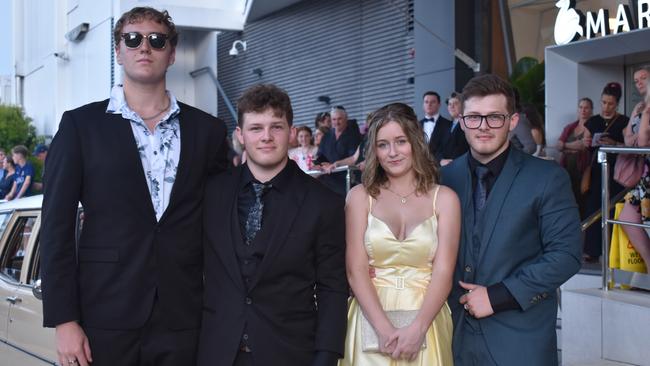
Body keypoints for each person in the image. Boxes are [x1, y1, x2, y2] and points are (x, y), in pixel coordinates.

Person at [40, 7, 229, 366]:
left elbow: (220, 226)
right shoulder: (80, 126)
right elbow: (55, 229)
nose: (145, 47)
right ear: (118, 51)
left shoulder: (208, 131)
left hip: (185, 317)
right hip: (104, 316)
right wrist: (65, 320)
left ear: (171, 54)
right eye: (133, 39)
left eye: (157, 40)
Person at [198, 84, 348, 366]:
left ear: (291, 133)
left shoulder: (323, 202)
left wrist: (326, 356)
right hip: (216, 351)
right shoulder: (211, 193)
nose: (266, 137)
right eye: (256, 128)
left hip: (290, 353)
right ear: (240, 135)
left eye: (276, 127)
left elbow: (332, 287)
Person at [441, 74, 581, 366]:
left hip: (520, 339)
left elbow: (565, 255)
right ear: (462, 121)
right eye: (474, 117)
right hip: (452, 339)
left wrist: (499, 296)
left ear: (513, 121)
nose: (483, 127)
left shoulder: (548, 177)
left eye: (494, 117)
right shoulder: (444, 179)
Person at [342, 102, 459, 365]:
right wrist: (384, 330)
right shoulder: (360, 197)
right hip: (370, 316)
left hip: (426, 318)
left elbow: (443, 272)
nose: (392, 152)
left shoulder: (445, 199)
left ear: (415, 142)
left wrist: (417, 329)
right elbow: (356, 270)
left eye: (400, 141)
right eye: (383, 145)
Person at [582, 82, 629, 263]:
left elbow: (631, 145)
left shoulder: (623, 122)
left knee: (613, 207)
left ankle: (612, 250)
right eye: (603, 103)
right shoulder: (593, 122)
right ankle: (592, 250)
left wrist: (615, 144)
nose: (606, 107)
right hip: (596, 171)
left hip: (616, 171)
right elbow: (584, 143)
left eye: (610, 103)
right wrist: (586, 143)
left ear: (617, 104)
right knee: (594, 207)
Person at [558, 97, 593, 217]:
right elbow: (558, 145)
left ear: (591, 110)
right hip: (567, 169)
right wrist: (569, 146)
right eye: (581, 107)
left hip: (583, 170)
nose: (583, 110)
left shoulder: (592, 127)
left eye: (586, 107)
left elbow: (583, 146)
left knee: (581, 199)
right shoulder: (570, 127)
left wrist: (565, 147)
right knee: (567, 198)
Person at [314, 106, 362, 196]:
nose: (337, 122)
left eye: (339, 119)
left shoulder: (353, 135)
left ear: (346, 119)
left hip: (345, 180)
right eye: (334, 119)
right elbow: (319, 155)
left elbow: (353, 158)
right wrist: (321, 164)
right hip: (328, 178)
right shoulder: (327, 136)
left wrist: (336, 164)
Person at [420, 91, 452, 161]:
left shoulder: (448, 124)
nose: (429, 104)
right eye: (426, 102)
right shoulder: (416, 125)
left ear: (439, 104)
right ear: (423, 105)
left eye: (433, 102)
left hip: (439, 167)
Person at [440, 92, 469, 166]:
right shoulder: (446, 126)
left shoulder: (468, 123)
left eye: (455, 103)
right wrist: (441, 160)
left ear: (463, 106)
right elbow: (439, 149)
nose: (451, 106)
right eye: (449, 104)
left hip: (462, 167)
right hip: (446, 170)